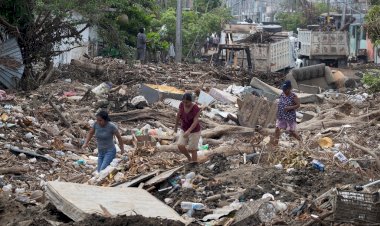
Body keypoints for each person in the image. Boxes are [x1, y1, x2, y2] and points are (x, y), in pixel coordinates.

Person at [174, 93, 201, 163]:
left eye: (187, 102)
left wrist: (189, 131)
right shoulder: (181, 105)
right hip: (184, 128)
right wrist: (175, 127)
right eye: (183, 102)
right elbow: (178, 115)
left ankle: (194, 163)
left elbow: (195, 121)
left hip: (194, 130)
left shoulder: (196, 108)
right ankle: (189, 158)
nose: (185, 104)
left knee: (192, 149)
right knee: (180, 145)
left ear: (191, 101)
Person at [273, 80, 301, 145]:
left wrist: (289, 108)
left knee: (291, 131)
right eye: (283, 90)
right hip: (281, 115)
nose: (284, 91)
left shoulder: (293, 96)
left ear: (289, 89)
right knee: (277, 129)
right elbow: (280, 101)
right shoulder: (282, 94)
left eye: (286, 90)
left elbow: (298, 105)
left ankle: (300, 141)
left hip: (289, 116)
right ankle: (275, 145)